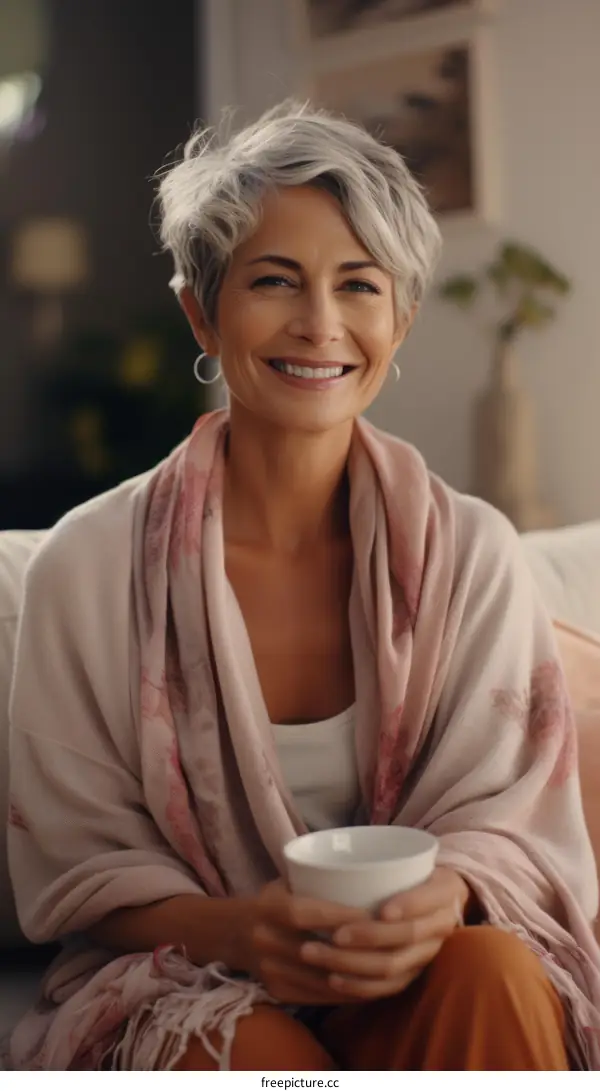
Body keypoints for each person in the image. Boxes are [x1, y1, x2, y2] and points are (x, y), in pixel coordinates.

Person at [6, 101, 600, 1072]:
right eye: (275, 281)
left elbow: (512, 824)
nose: (320, 325)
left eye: (358, 286)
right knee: (240, 1045)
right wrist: (243, 931)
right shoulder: (85, 567)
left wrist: (441, 898)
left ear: (399, 318)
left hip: (418, 973)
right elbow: (76, 869)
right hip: (186, 973)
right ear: (202, 308)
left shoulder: (475, 553)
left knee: (489, 972)